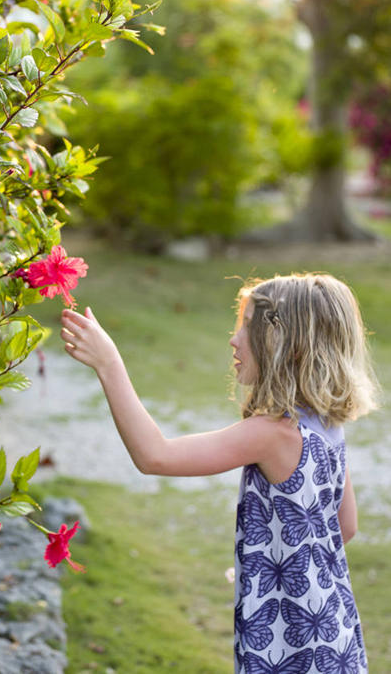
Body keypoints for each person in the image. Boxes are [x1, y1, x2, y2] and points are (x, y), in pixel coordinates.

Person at [61, 273, 377, 674]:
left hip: (292, 644)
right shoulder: (327, 425)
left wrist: (109, 364)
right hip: (335, 635)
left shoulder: (273, 434)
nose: (234, 339)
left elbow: (155, 456)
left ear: (285, 346)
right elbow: (343, 527)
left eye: (248, 327)